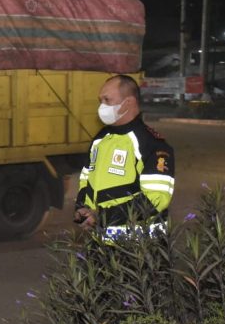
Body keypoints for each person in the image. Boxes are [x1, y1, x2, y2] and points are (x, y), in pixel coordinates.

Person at [74, 75, 175, 239]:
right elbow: (86, 178)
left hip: (139, 249)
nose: (102, 107)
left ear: (128, 103)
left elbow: (156, 198)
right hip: (100, 243)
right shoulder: (101, 138)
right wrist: (82, 207)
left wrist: (102, 216)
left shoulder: (151, 144)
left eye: (107, 100)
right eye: (100, 100)